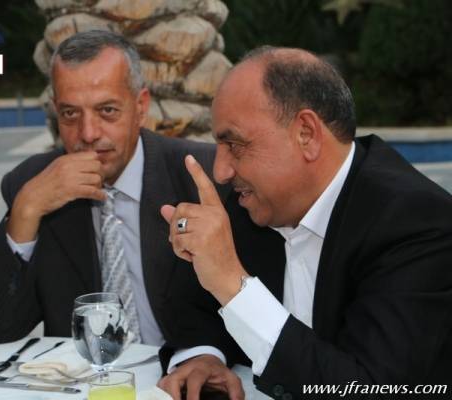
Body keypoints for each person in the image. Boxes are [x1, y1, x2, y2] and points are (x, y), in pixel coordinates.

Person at [160, 46, 452, 399]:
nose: (220, 171)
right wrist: (204, 356)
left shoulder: (414, 222)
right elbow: (194, 304)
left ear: (306, 134)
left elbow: (370, 388)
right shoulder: (256, 199)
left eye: (234, 144)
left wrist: (234, 286)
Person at [0, 30, 248, 397]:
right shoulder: (33, 185)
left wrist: (206, 355)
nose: (88, 133)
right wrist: (26, 211)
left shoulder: (203, 176)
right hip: (83, 388)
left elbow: (252, 307)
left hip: (183, 383)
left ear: (141, 106)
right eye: (70, 113)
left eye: (107, 111)